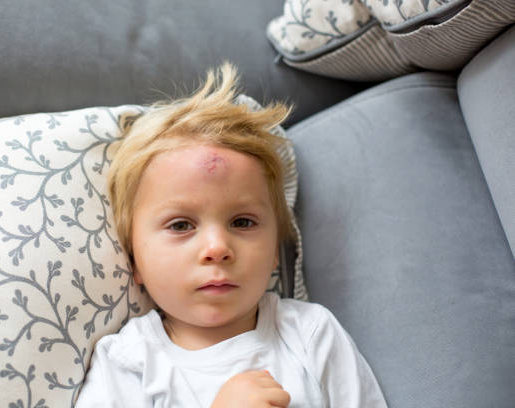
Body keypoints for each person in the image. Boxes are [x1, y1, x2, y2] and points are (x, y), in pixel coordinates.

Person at [75, 63, 387, 407]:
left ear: (274, 250)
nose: (217, 248)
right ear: (134, 260)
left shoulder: (311, 334)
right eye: (181, 225)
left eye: (242, 222)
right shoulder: (128, 364)